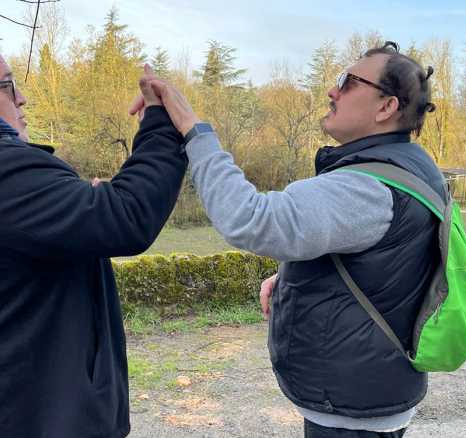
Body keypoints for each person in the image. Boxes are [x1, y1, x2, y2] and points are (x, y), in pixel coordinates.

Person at [133, 41, 443, 437]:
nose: (332, 91)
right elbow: (390, 264)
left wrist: (194, 130)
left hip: (352, 413)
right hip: (371, 392)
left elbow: (250, 219)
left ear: (387, 107)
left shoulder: (367, 186)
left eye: (348, 82)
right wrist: (293, 276)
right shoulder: (412, 166)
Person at [0, 39, 186, 438]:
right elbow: (127, 217)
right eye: (8, 86)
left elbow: (16, 235)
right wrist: (161, 123)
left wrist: (82, 203)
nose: (23, 98)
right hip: (37, 414)